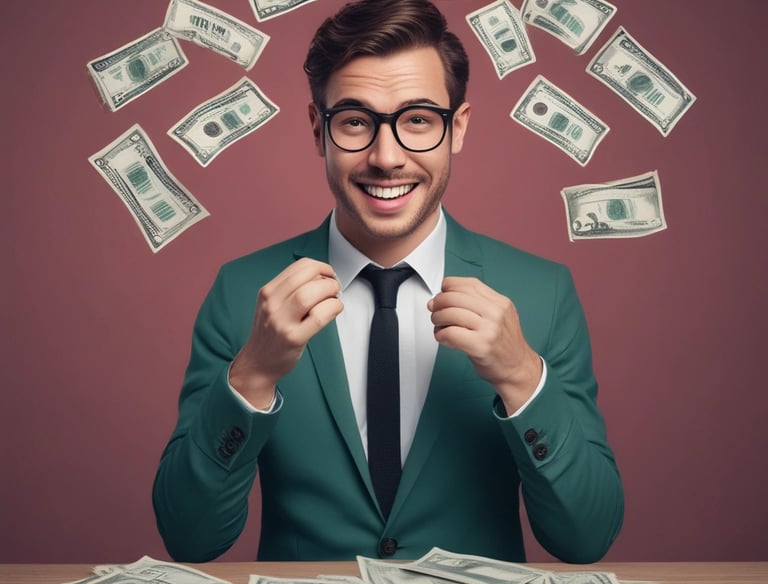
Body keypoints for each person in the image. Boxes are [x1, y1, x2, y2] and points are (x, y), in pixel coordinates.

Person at [152, 0, 624, 564]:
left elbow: (587, 537)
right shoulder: (243, 292)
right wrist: (252, 376)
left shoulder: (543, 293)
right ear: (317, 130)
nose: (387, 156)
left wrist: (522, 377)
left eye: (418, 120)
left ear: (459, 128)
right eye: (355, 122)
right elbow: (190, 538)